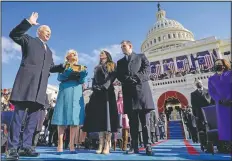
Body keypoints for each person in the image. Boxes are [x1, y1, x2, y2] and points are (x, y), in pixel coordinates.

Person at [6, 12, 64, 160]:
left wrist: (63, 67)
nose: (49, 34)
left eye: (50, 32)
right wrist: (28, 22)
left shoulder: (50, 51)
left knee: (32, 121)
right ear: (39, 32)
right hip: (25, 86)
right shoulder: (28, 40)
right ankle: (12, 148)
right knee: (18, 118)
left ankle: (26, 147)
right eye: (46, 31)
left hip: (39, 90)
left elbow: (50, 67)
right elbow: (14, 34)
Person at [116, 40, 155, 156]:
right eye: (121, 47)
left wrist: (136, 78)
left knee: (145, 122)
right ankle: (134, 146)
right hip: (129, 95)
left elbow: (147, 71)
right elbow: (119, 75)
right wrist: (127, 79)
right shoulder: (120, 62)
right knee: (132, 123)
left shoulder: (141, 57)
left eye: (124, 46)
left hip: (142, 93)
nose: (122, 48)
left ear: (130, 46)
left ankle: (148, 145)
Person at [51, 49, 88, 152]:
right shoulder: (63, 66)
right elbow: (60, 78)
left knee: (74, 119)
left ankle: (72, 144)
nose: (74, 55)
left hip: (76, 92)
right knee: (62, 117)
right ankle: (60, 143)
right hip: (65, 90)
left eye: (75, 54)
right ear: (67, 57)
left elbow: (81, 81)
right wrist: (67, 72)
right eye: (72, 54)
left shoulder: (80, 67)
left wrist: (83, 75)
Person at [83, 50, 118, 155]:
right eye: (100, 53)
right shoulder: (96, 67)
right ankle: (100, 144)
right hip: (98, 94)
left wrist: (104, 86)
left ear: (107, 55)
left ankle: (107, 144)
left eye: (103, 53)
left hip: (107, 93)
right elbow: (94, 80)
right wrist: (94, 87)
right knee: (100, 119)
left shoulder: (112, 65)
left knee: (107, 119)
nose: (100, 54)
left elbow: (112, 77)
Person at [208, 59, 232, 142]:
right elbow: (211, 92)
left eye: (219, 63)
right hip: (221, 105)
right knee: (225, 125)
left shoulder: (230, 74)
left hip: (230, 101)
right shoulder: (211, 78)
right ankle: (228, 144)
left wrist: (229, 98)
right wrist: (219, 100)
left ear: (224, 65)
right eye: (216, 64)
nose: (218, 65)